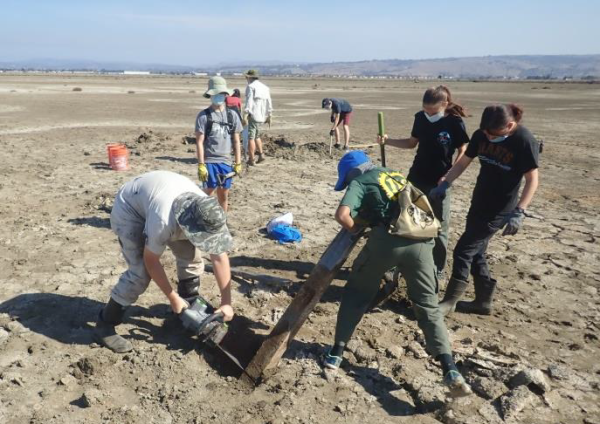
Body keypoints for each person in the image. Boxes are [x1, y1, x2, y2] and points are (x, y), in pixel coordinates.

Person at [322, 151, 472, 397]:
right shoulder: (393, 173)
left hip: (387, 243)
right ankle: (450, 369)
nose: (349, 185)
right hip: (422, 243)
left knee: (356, 294)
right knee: (427, 306)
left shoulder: (360, 181)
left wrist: (358, 229)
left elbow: (343, 215)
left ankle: (335, 355)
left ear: (352, 174)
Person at [93, 171, 235, 353]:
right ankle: (104, 325)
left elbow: (219, 256)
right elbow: (151, 260)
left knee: (191, 255)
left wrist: (226, 302)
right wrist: (172, 297)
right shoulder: (163, 220)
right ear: (188, 225)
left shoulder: (210, 211)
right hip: (130, 208)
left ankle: (189, 300)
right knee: (140, 274)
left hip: (158, 195)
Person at [431, 104, 540, 316]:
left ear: (509, 125)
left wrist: (520, 211)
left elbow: (532, 179)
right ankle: (483, 302)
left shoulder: (524, 141)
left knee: (463, 251)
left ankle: (450, 301)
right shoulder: (481, 135)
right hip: (479, 201)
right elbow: (463, 162)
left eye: (494, 134)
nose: (489, 138)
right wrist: (446, 182)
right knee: (476, 252)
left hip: (500, 209)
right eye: (486, 134)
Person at [377, 86, 469, 279]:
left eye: (433, 111)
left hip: (440, 182)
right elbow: (411, 143)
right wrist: (388, 141)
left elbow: (463, 151)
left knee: (439, 226)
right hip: (416, 177)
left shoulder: (454, 123)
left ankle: (437, 269)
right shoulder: (420, 118)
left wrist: (449, 176)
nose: (428, 114)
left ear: (444, 105)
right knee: (406, 219)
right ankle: (399, 263)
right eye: (425, 109)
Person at [196, 76, 243, 212]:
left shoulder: (232, 115)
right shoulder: (203, 116)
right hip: (210, 161)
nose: (219, 97)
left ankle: (223, 221)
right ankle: (198, 219)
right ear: (211, 95)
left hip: (226, 162)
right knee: (206, 193)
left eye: (221, 94)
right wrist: (201, 164)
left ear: (225, 94)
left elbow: (236, 140)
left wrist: (238, 162)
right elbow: (199, 142)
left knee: (223, 194)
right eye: (216, 94)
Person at [243, 69, 273, 165]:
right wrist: (269, 114)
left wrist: (245, 113)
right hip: (262, 116)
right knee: (257, 136)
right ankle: (261, 155)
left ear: (249, 77)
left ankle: (251, 159)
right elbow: (269, 101)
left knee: (251, 137)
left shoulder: (250, 87)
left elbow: (249, 101)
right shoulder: (265, 87)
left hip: (253, 115)